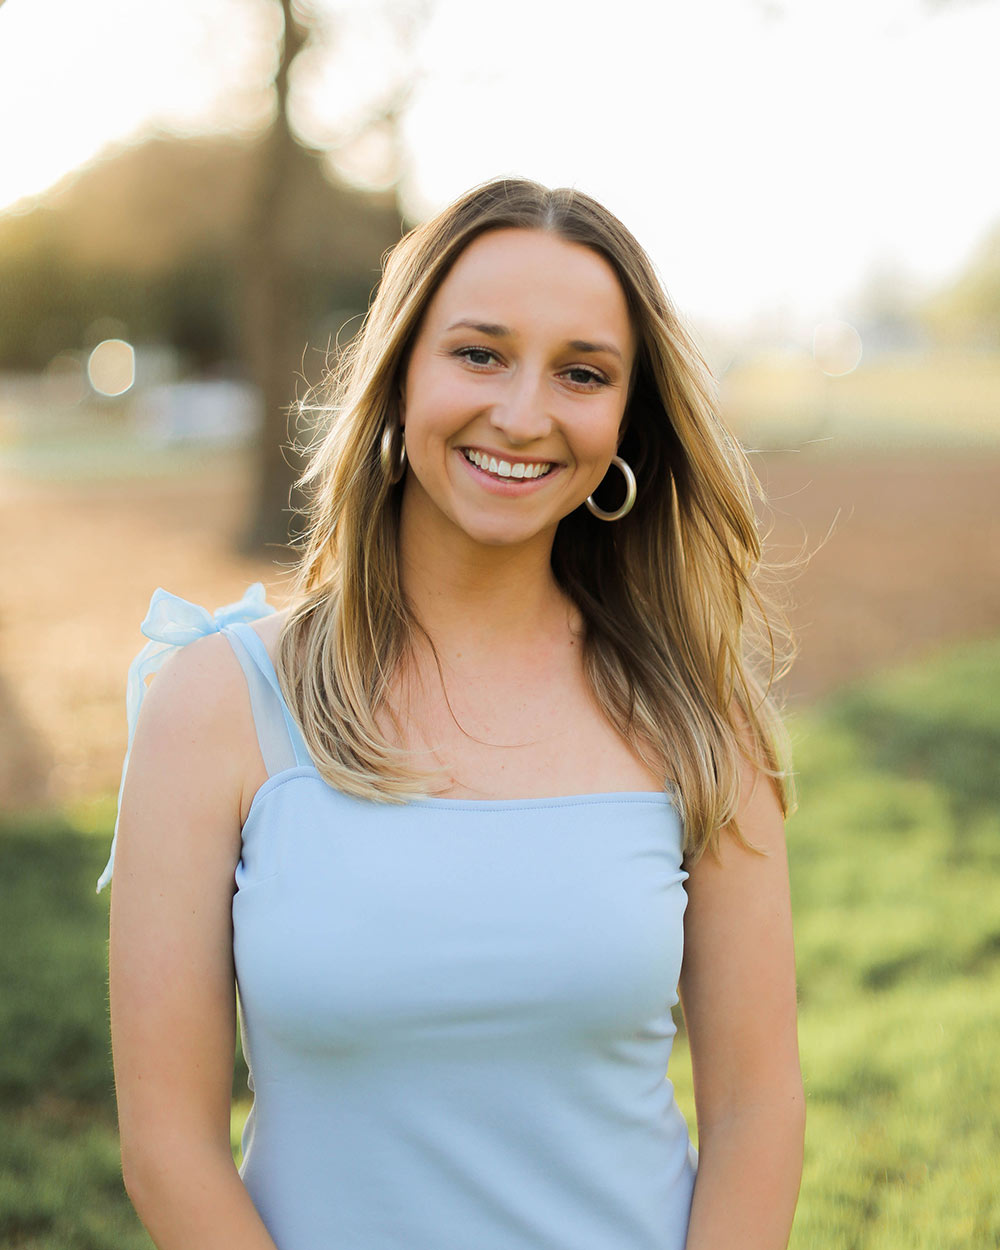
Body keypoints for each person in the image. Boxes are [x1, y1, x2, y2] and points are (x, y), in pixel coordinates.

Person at [98, 176, 805, 1250]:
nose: (523, 413)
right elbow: (166, 1144)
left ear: (625, 419)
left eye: (582, 372)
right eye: (479, 352)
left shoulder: (697, 718)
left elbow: (758, 1111)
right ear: (397, 374)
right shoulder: (218, 701)